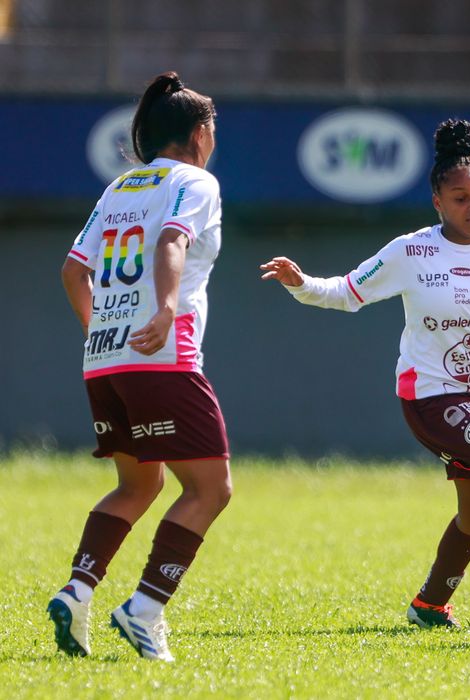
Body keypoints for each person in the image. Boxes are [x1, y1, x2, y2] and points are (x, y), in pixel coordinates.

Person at [260, 119, 470, 630]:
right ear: (437, 201)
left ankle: (429, 603)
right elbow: (347, 293)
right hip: (430, 397)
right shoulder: (410, 251)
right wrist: (301, 282)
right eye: (460, 198)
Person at [51, 71, 230, 662]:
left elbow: (73, 272)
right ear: (200, 132)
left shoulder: (121, 187)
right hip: (163, 355)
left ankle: (78, 591)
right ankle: (145, 608)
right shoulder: (196, 180)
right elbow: (172, 241)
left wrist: (102, 333)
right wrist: (168, 308)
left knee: (139, 483)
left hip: (105, 360)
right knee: (210, 489)